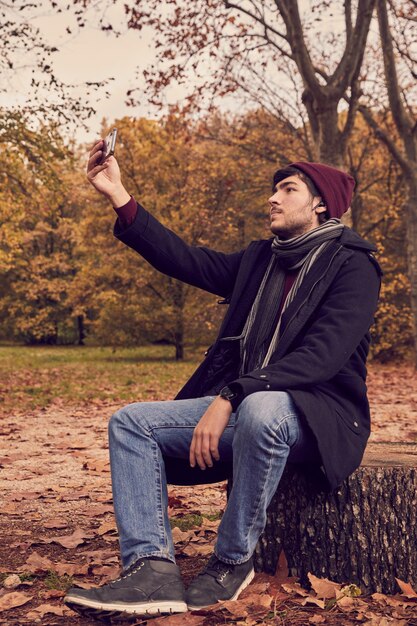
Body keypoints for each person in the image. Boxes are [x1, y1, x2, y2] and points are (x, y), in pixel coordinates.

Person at [64, 141, 382, 621]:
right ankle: (151, 569)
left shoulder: (354, 264)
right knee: (131, 423)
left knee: (262, 405)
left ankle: (232, 561)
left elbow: (323, 357)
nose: (273, 198)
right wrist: (118, 194)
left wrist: (232, 394)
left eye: (287, 189)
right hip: (254, 410)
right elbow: (186, 260)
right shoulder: (262, 260)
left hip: (321, 416)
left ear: (321, 203)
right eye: (273, 189)